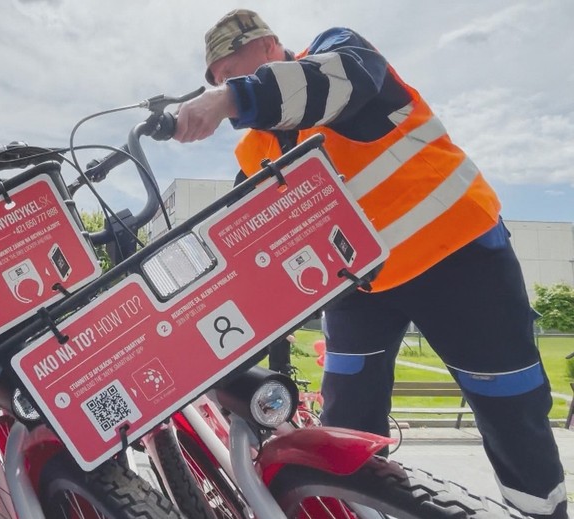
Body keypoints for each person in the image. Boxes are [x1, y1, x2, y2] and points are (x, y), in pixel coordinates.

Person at [173, 9, 568, 518]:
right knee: (345, 420)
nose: (226, 84)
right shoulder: (254, 150)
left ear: (271, 47)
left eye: (233, 70)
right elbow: (240, 240)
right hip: (359, 289)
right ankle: (362, 510)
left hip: (460, 260)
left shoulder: (339, 54)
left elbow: (338, 84)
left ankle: (541, 511)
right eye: (218, 80)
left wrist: (236, 97)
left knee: (510, 412)